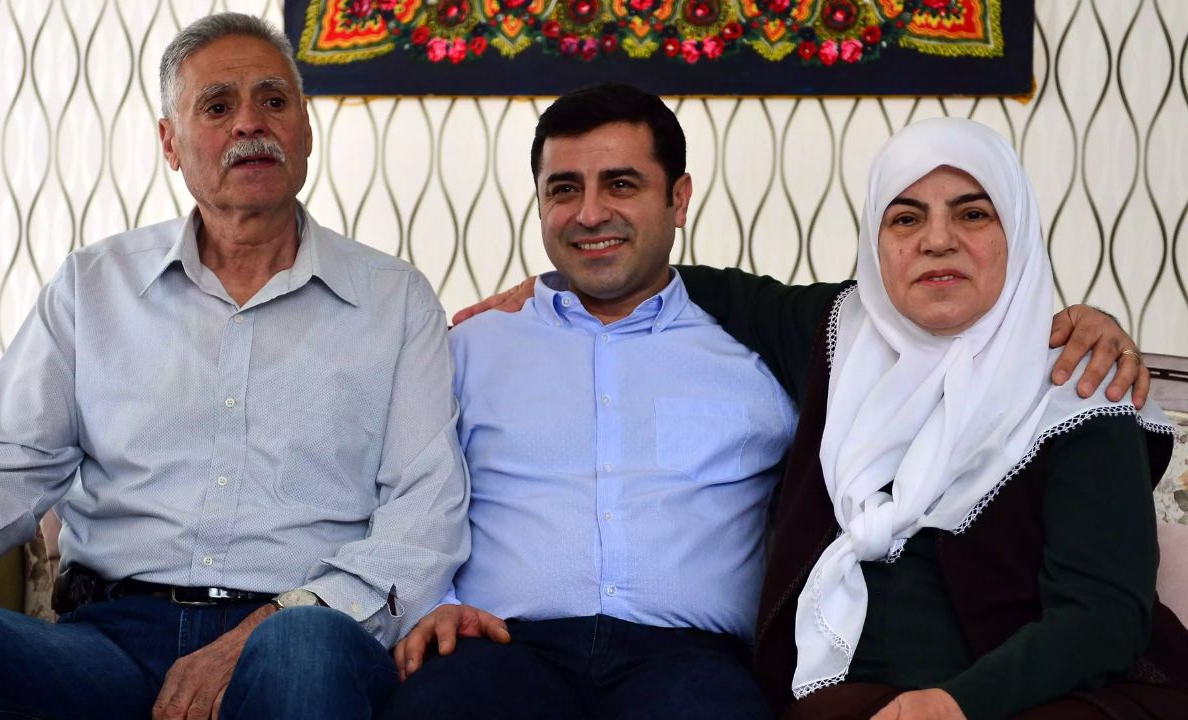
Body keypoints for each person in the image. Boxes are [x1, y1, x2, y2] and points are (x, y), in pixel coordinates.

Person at [381, 84, 1148, 720]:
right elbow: (410, 492)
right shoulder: (470, 347)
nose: (589, 213)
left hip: (693, 664)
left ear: (679, 199)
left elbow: (1103, 614)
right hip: (506, 647)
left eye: (621, 185)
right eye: (564, 191)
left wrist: (1082, 322)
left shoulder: (1068, 385)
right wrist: (432, 601)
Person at [0, 13, 468, 720]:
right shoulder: (94, 286)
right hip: (104, 642)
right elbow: (7, 458)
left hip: (296, 628)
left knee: (305, 650)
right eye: (217, 106)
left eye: (273, 100)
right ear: (170, 143)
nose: (249, 124)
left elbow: (423, 517)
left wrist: (270, 625)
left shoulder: (396, 301)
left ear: (306, 131)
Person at [677, 117, 1188, 719]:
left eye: (972, 214)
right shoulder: (837, 334)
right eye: (905, 218)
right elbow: (670, 282)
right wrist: (568, 279)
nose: (937, 240)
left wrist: (952, 704)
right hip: (852, 695)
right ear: (876, 243)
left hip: (1047, 692)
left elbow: (1103, 619)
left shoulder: (1080, 386)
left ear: (1017, 233)